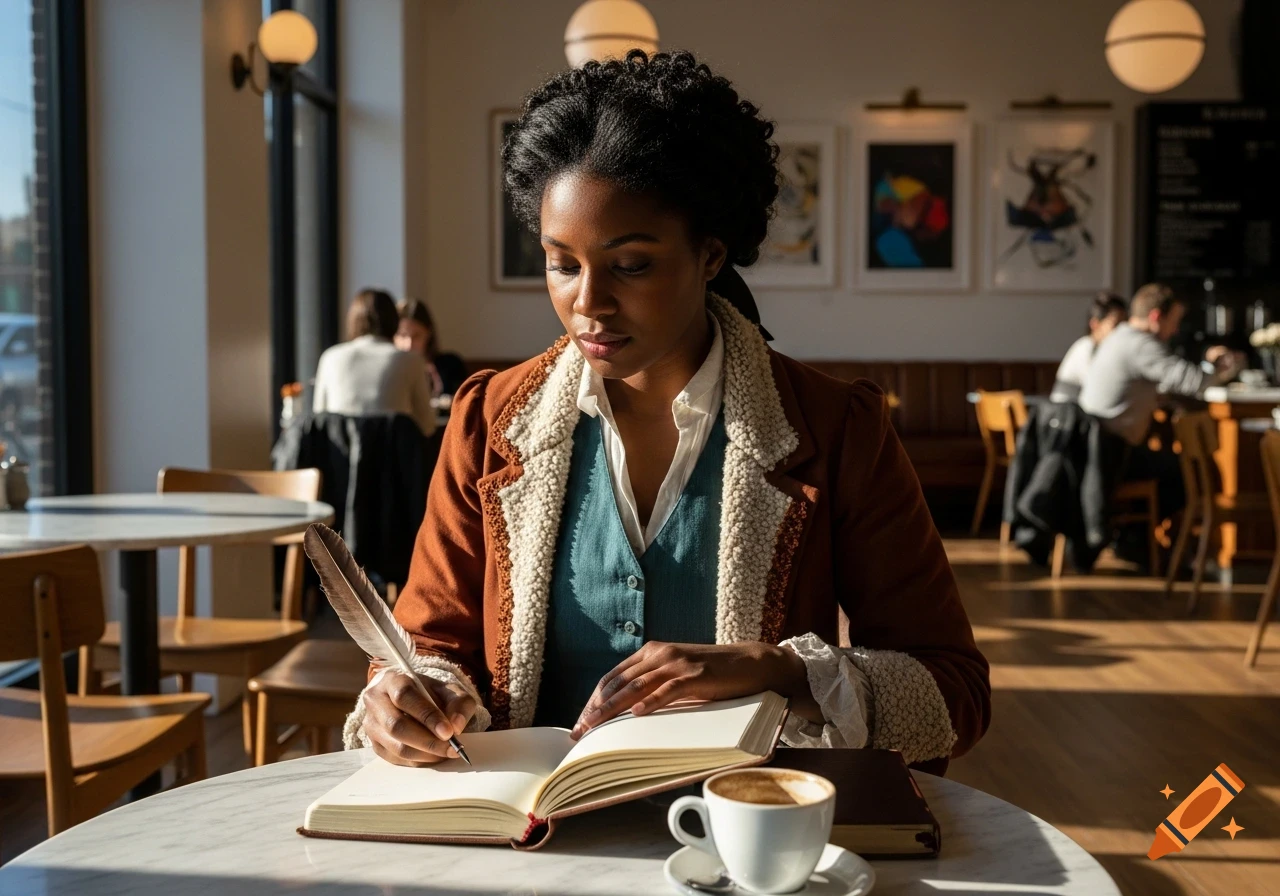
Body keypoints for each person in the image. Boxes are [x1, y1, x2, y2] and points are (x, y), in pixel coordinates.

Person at [343, 51, 989, 774]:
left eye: (632, 264)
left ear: (711, 254)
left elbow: (950, 694)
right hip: (529, 853)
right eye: (562, 262)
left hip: (748, 850)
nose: (588, 302)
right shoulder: (487, 421)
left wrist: (778, 671)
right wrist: (408, 698)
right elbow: (428, 650)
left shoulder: (838, 431)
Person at [1079, 282, 1242, 513]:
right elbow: (1194, 382)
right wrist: (1225, 366)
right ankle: (1137, 538)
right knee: (1188, 472)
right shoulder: (1140, 344)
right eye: (1174, 321)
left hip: (1093, 449)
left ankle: (1136, 536)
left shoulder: (1119, 337)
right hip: (1109, 455)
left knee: (1170, 465)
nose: (1175, 330)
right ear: (1156, 316)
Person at [312, 288, 437, 437]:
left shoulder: (330, 358)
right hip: (393, 458)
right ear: (394, 322)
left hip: (340, 457)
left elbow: (320, 419)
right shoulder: (411, 361)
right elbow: (427, 426)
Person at [1049, 292, 1128, 403]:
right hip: (1070, 417)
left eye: (1124, 325)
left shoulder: (1106, 350)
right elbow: (1101, 387)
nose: (1121, 331)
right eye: (1115, 325)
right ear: (1095, 324)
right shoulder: (1085, 348)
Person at [394, 298, 469, 402]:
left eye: (417, 336)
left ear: (428, 333)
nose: (409, 344)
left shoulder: (451, 365)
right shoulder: (390, 370)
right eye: (403, 335)